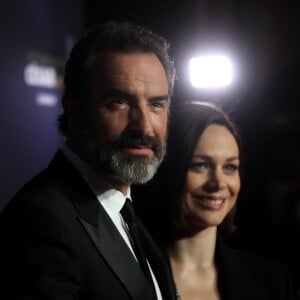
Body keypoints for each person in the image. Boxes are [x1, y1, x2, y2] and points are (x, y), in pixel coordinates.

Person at [0, 21, 177, 300]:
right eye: (119, 102)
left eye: (156, 104)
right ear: (74, 109)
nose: (144, 126)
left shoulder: (125, 211)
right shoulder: (41, 221)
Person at [133, 101, 295, 300]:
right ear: (170, 170)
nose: (218, 183)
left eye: (230, 167)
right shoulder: (127, 276)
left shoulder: (273, 282)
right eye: (200, 165)